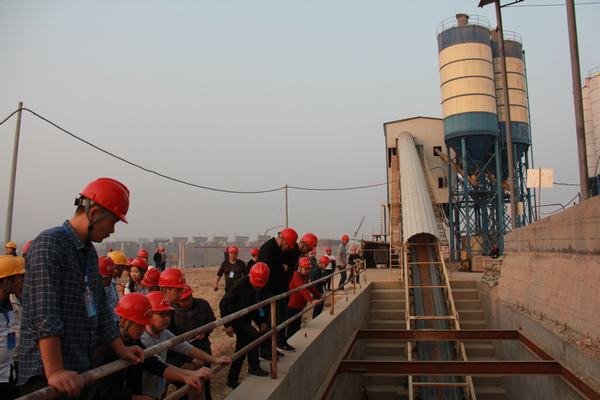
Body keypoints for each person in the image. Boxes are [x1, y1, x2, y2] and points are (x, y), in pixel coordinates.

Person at [18, 177, 144, 398]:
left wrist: (121, 349)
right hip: (45, 375)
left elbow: (101, 308)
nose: (112, 230)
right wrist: (55, 370)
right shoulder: (50, 244)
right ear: (94, 214)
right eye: (113, 222)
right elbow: (45, 313)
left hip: (78, 369)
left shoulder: (89, 253)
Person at [96, 293, 212, 400]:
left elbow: (153, 364)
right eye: (140, 325)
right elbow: (106, 392)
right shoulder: (104, 349)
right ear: (124, 322)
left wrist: (187, 376)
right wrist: (138, 398)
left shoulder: (132, 341)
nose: (143, 329)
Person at [141, 292, 230, 399]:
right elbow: (158, 366)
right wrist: (189, 374)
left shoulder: (163, 333)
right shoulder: (143, 339)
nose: (167, 318)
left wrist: (214, 360)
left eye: (169, 314)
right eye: (162, 314)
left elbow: (185, 347)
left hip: (155, 386)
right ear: (148, 316)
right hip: (143, 391)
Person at [219, 262, 271, 389]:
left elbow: (260, 305)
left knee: (243, 346)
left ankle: (233, 378)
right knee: (252, 338)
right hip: (237, 318)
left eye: (260, 286)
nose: (257, 288)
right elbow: (223, 304)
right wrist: (227, 324)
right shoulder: (239, 285)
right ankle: (252, 368)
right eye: (256, 285)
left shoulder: (262, 287)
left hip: (249, 315)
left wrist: (263, 321)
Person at [168, 285, 217, 400]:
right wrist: (189, 359)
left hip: (203, 348)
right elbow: (173, 340)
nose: (187, 302)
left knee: (205, 378)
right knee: (184, 384)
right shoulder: (171, 312)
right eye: (183, 300)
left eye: (189, 298)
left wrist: (205, 331)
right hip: (182, 354)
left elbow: (211, 321)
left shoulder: (203, 304)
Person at [257, 228, 298, 354]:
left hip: (277, 290)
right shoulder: (268, 248)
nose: (288, 249)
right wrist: (281, 267)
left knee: (279, 319)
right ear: (283, 240)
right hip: (267, 291)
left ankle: (277, 345)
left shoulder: (278, 249)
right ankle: (265, 351)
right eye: (288, 246)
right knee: (268, 322)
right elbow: (264, 268)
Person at [0, 255, 25, 399]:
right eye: (18, 279)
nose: (21, 282)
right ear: (6, 282)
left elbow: (9, 335)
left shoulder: (7, 305)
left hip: (9, 374)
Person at [285, 257, 322, 347]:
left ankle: (294, 343)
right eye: (306, 269)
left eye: (309, 269)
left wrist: (319, 295)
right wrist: (312, 300)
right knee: (292, 327)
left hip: (299, 306)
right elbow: (303, 289)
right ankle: (289, 343)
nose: (308, 271)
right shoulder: (296, 275)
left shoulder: (305, 276)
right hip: (292, 306)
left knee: (297, 325)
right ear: (300, 268)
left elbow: (310, 286)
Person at [98, 256, 119, 324]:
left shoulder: (113, 285)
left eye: (103, 278)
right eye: (99, 278)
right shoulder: (95, 290)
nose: (101, 282)